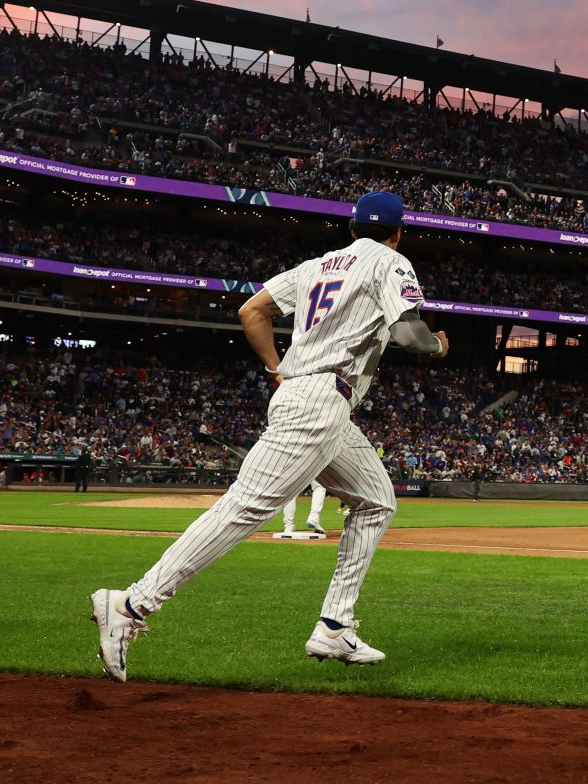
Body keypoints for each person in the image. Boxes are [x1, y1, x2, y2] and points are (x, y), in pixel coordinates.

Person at [89, 192, 448, 682]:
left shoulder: (315, 266)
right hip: (320, 400)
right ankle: (131, 604)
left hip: (315, 396)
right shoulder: (391, 259)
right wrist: (439, 345)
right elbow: (410, 337)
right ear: (398, 231)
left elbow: (250, 311)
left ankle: (335, 626)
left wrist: (276, 367)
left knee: (376, 501)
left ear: (350, 228)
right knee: (244, 509)